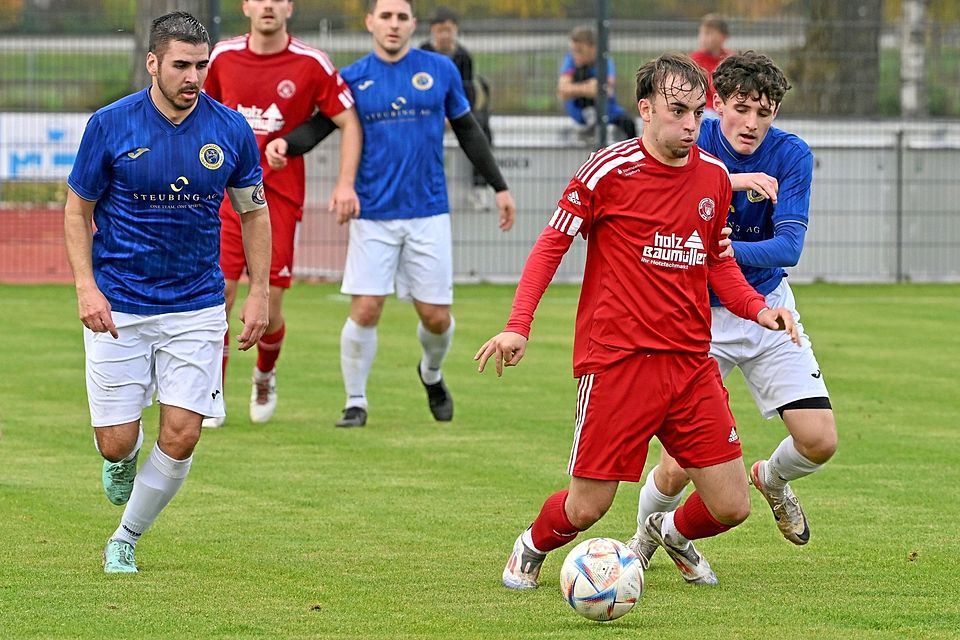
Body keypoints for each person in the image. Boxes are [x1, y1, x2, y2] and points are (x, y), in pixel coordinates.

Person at [476, 52, 800, 590]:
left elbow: (717, 259)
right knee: (587, 508)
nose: (692, 125)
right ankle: (531, 545)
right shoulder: (606, 170)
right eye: (679, 111)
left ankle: (666, 530)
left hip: (691, 366)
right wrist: (518, 324)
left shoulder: (716, 178)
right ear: (646, 109)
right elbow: (550, 246)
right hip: (617, 363)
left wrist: (759, 309)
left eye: (699, 113)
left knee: (732, 504)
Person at [63, 11, 270, 573]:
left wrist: (259, 291)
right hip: (119, 304)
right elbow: (78, 211)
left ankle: (125, 536)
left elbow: (253, 214)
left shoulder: (228, 130)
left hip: (198, 305)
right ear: (152, 62)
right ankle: (122, 460)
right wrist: (86, 287)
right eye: (181, 65)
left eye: (202, 65)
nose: (193, 77)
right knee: (115, 442)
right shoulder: (109, 125)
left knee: (181, 437)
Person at [628, 51, 838, 569]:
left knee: (819, 441)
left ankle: (770, 479)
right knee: (678, 466)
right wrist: (708, 239)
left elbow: (788, 248)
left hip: (766, 307)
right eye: (741, 108)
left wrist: (713, 248)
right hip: (697, 317)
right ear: (716, 102)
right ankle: (639, 545)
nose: (751, 123)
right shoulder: (689, 142)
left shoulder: (791, 155)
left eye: (764, 113)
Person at [268, 0, 516, 428]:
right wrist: (286, 144)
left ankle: (432, 374)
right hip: (373, 214)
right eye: (385, 16)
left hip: (428, 212)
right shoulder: (353, 77)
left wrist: (499, 186)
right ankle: (355, 402)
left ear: (412, 24)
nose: (394, 25)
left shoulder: (440, 70)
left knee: (436, 317)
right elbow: (323, 124)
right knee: (366, 309)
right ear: (370, 23)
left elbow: (468, 129)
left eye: (402, 17)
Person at [201, 0, 362, 428]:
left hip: (277, 200)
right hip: (223, 195)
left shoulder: (312, 63)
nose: (268, 5)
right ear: (246, 6)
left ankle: (265, 373)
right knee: (219, 297)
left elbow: (347, 120)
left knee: (268, 307)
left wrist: (343, 183)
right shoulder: (222, 56)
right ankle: (211, 392)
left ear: (289, 7)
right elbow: (199, 112)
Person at [420, 5, 494, 207]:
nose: (444, 35)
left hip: (455, 112)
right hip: (427, 111)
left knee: (482, 126)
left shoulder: (463, 57)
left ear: (456, 30)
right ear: (432, 31)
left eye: (448, 30)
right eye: (439, 30)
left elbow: (467, 92)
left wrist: (455, 116)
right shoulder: (422, 53)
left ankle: (479, 187)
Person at [557, 25, 636, 141]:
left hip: (608, 111)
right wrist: (591, 87)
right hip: (579, 113)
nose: (575, 54)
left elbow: (607, 89)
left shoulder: (605, 61)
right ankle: (590, 118)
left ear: (593, 48)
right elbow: (562, 91)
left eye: (579, 51)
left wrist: (575, 90)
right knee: (580, 74)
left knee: (629, 124)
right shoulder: (571, 61)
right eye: (573, 50)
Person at [689, 13, 732, 118]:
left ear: (723, 37)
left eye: (708, 33)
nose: (702, 38)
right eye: (701, 33)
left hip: (726, 107)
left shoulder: (730, 59)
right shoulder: (694, 61)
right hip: (705, 108)